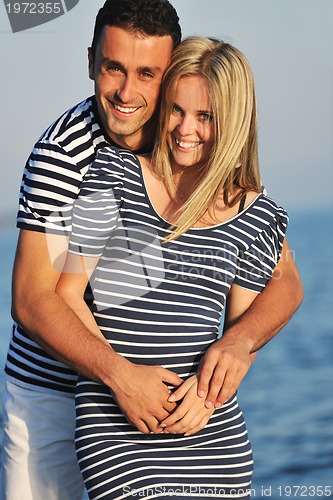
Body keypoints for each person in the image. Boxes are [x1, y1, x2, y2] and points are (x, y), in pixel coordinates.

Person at [1, 0, 302, 499]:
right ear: (91, 60)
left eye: (147, 73)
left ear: (173, 70)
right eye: (113, 68)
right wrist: (119, 376)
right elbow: (36, 297)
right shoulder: (67, 153)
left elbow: (284, 279)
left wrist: (239, 343)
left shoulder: (195, 137)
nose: (126, 93)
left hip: (164, 412)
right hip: (52, 398)